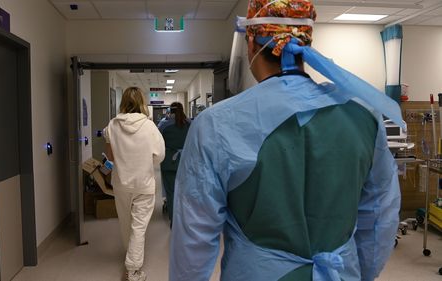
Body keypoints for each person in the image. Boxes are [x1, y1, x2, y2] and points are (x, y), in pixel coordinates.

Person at [169, 1, 402, 280]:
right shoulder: (363, 117)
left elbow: (194, 236)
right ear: (306, 43)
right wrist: (361, 272)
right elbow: (379, 218)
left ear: (251, 44)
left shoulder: (216, 125)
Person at [103, 87, 165, 281]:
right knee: (139, 226)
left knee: (125, 223)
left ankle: (131, 257)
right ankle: (133, 269)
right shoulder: (150, 127)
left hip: (121, 183)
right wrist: (146, 163)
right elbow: (159, 156)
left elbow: (110, 157)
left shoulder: (112, 125)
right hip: (144, 184)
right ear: (142, 103)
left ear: (123, 102)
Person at [157, 102, 190, 223]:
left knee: (171, 192)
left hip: (169, 163)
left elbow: (157, 142)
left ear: (170, 111)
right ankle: (185, 220)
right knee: (186, 191)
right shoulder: (190, 124)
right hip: (187, 162)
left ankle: (174, 220)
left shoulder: (164, 125)